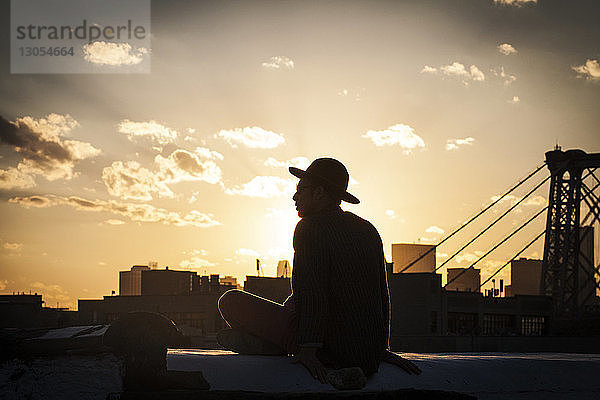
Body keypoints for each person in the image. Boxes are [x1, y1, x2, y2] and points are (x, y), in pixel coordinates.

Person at [217, 158, 420, 384]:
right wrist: (380, 347)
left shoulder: (309, 228)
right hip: (366, 352)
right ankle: (270, 344)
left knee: (230, 301)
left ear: (319, 194)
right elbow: (381, 294)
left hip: (329, 348)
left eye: (300, 190)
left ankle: (270, 346)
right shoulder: (368, 230)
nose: (294, 198)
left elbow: (313, 291)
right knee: (293, 302)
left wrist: (308, 348)